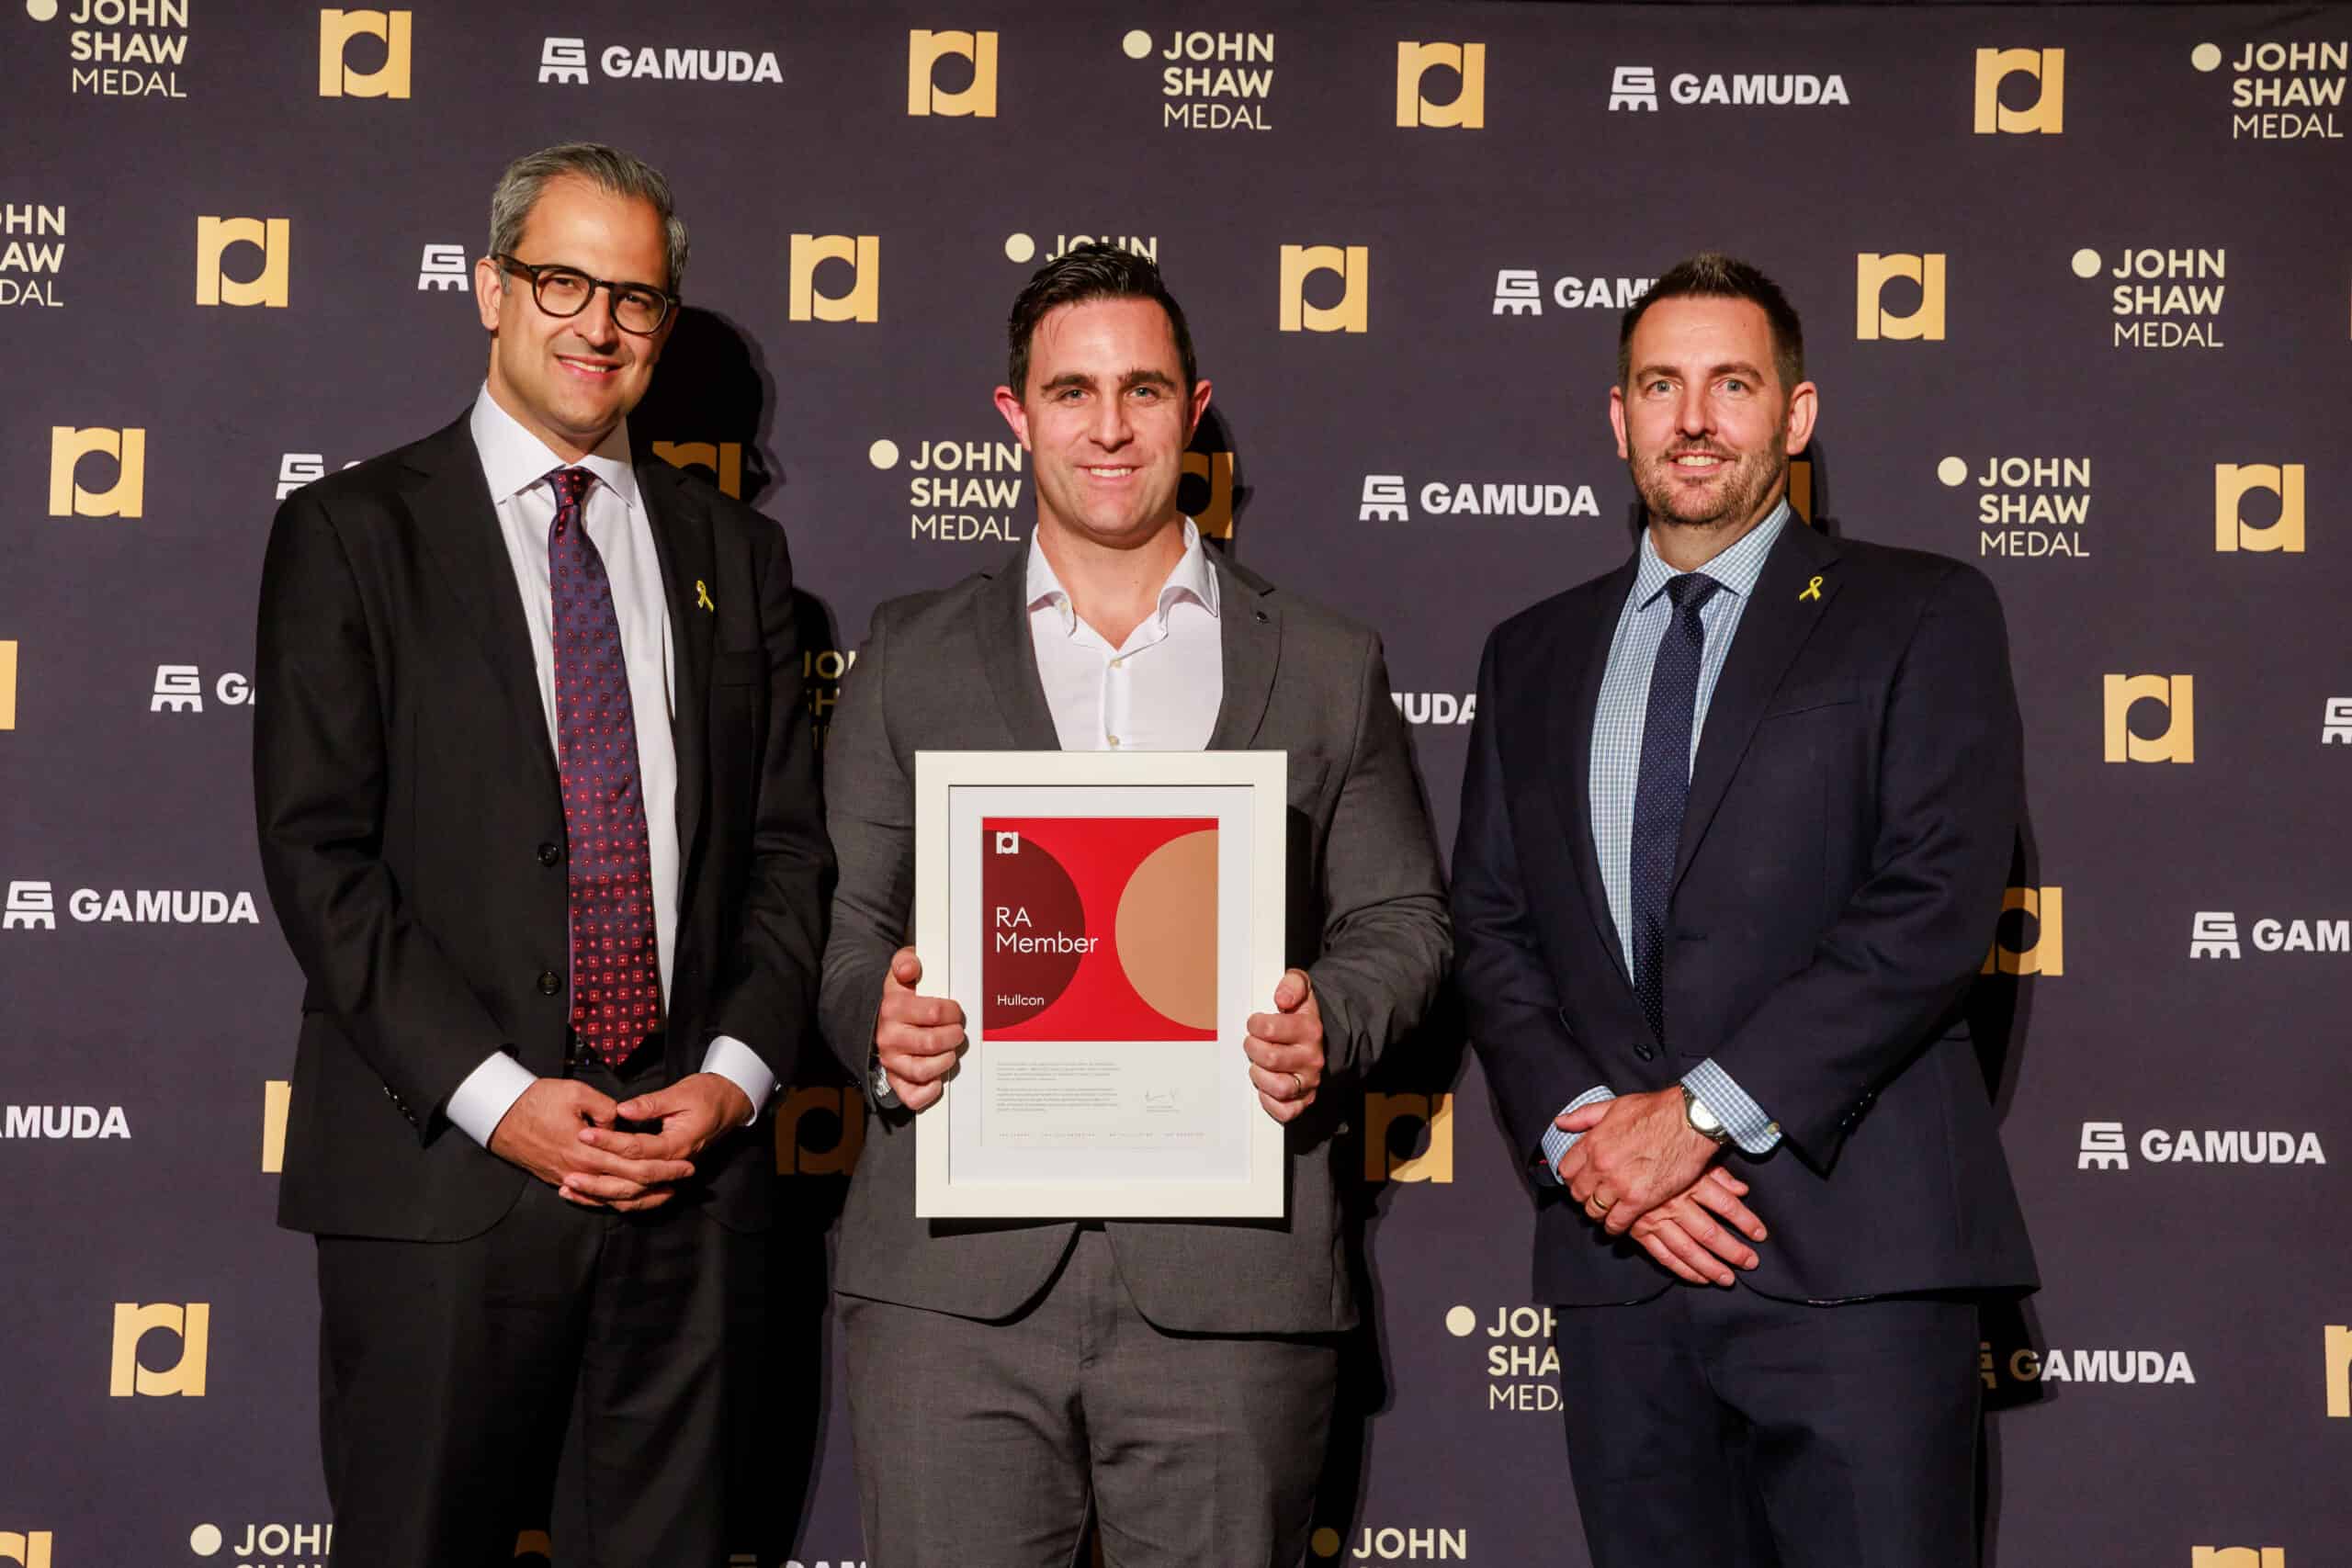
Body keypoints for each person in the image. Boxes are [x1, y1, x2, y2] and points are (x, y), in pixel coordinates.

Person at [817, 243, 1450, 1567]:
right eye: (1072, 392)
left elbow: (1403, 924)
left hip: (1232, 1288)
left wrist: (1325, 1021)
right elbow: (843, 926)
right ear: (1015, 414)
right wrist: (880, 1020)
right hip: (954, 1290)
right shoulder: (906, 656)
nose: (1108, 428)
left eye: (1143, 391)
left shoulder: (1324, 662)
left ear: (1192, 409)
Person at [252, 142, 831, 1568]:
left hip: (684, 1192)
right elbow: (320, 860)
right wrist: (500, 1100)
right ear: (491, 289)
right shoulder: (351, 534)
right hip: (440, 1188)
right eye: (563, 282)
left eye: (635, 298)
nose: (599, 326)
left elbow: (785, 855)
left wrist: (731, 1081)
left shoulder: (737, 556)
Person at [1451, 253, 2037, 1567]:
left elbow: (1934, 903)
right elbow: (1489, 927)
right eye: (1661, 386)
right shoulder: (1531, 652)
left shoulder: (1920, 611)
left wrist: (1699, 1116)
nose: (1695, 418)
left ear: (1797, 412)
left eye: (1733, 383)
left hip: (1856, 1263)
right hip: (1621, 1266)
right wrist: (1596, 1148)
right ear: (1619, 419)